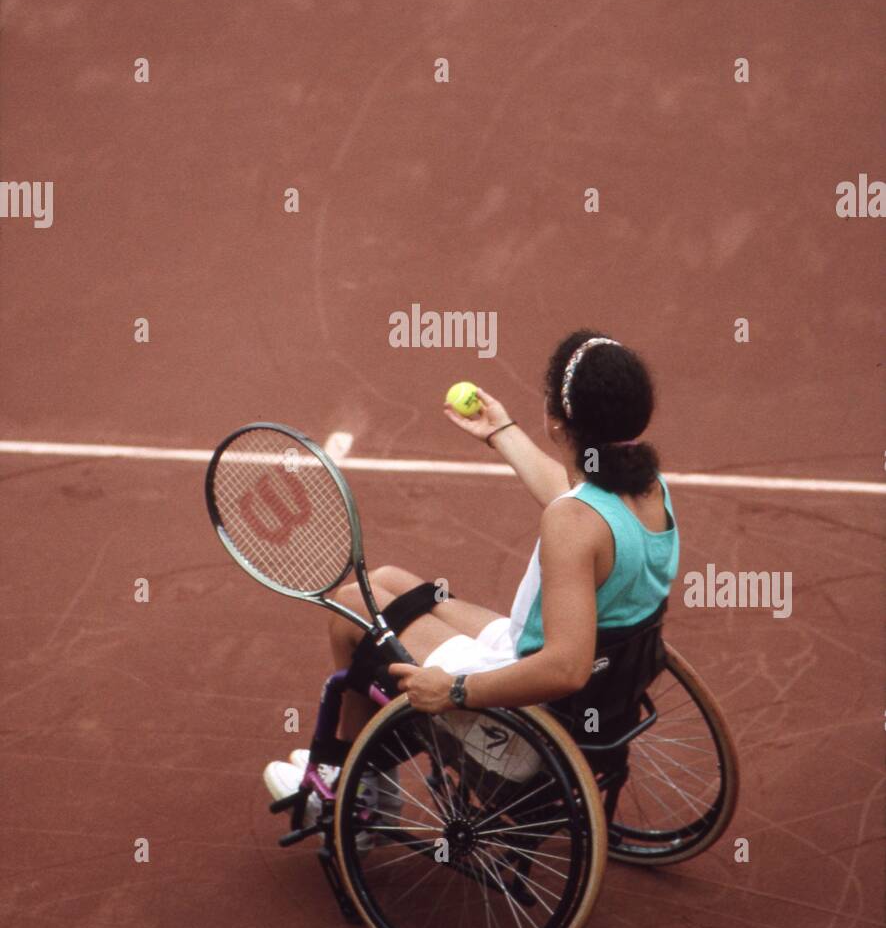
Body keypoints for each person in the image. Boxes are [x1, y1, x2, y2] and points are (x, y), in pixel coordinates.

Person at [263, 329, 679, 801]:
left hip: (527, 713)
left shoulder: (572, 523)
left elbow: (566, 669)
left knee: (355, 606)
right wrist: (501, 432)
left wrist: (455, 691)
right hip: (595, 690)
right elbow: (574, 496)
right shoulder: (646, 488)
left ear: (559, 426)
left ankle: (359, 792)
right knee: (388, 581)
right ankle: (365, 768)